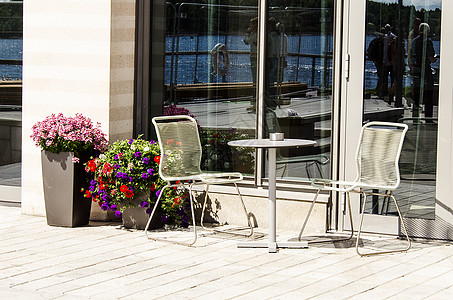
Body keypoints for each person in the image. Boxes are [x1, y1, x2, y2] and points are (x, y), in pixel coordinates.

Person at [410, 22, 437, 120]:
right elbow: (430, 58)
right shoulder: (428, 41)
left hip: (416, 69)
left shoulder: (413, 41)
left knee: (417, 92)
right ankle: (428, 117)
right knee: (429, 92)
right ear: (427, 31)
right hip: (425, 70)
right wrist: (434, 59)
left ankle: (415, 115)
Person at [367, 28, 385, 97]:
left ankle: (379, 90)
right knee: (381, 76)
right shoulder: (380, 42)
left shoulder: (374, 41)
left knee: (381, 76)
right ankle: (379, 90)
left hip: (377, 61)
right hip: (379, 61)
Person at [382, 24, 396, 98]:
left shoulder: (386, 37)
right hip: (392, 61)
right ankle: (392, 93)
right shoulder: (393, 36)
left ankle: (386, 92)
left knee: (385, 77)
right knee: (392, 78)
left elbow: (385, 50)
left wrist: (384, 60)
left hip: (387, 61)